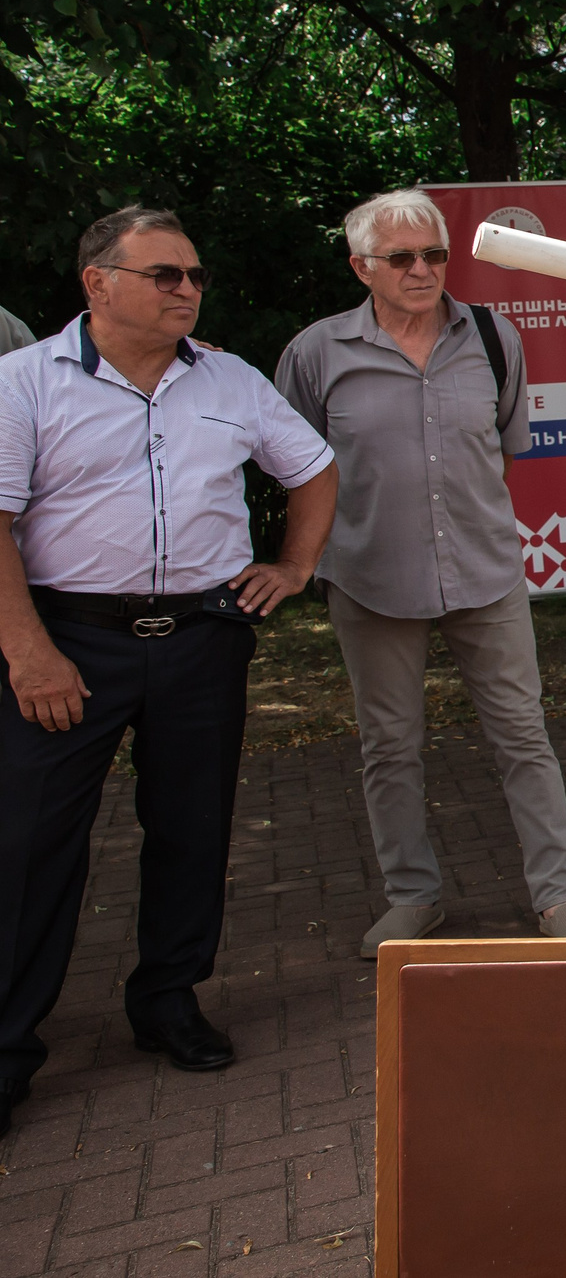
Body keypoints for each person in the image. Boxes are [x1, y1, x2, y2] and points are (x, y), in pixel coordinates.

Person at [0, 207, 338, 1133]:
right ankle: (8, 1045)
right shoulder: (24, 383)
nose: (187, 288)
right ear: (97, 283)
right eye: (164, 274)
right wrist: (28, 650)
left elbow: (313, 467)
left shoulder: (230, 378)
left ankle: (168, 998)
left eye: (194, 274)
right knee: (29, 842)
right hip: (70, 639)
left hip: (201, 636)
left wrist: (293, 566)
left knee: (193, 826)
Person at [276, 189, 566, 955]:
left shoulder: (494, 336)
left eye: (434, 254)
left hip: (485, 573)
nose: (422, 270)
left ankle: (558, 896)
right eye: (401, 257)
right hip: (370, 580)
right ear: (361, 266)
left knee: (524, 738)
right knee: (389, 747)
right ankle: (412, 898)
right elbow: (294, 464)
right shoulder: (317, 352)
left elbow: (506, 443)